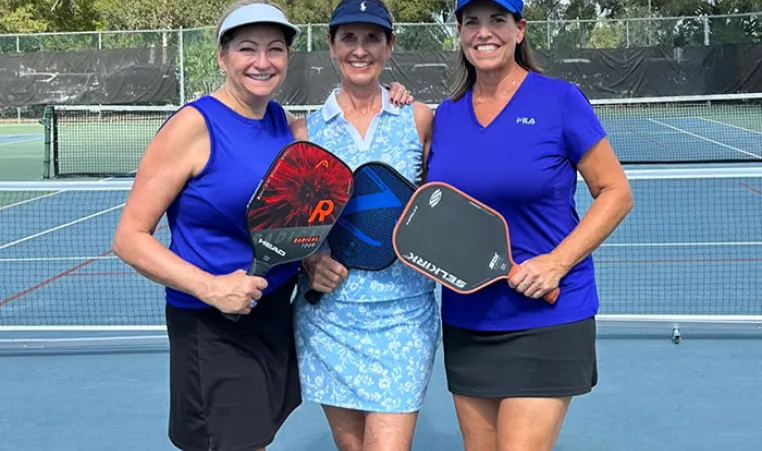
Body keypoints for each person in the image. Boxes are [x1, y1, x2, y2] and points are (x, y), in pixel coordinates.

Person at [112, 1, 411, 449]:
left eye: (275, 49)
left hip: (272, 314)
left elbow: (293, 215)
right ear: (222, 57)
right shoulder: (194, 125)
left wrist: (310, 261)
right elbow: (128, 238)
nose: (262, 61)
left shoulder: (280, 124)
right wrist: (211, 287)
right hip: (212, 326)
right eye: (247, 48)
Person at [424, 0, 634, 450]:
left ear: (519, 30)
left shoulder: (559, 100)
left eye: (498, 20)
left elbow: (615, 192)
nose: (485, 32)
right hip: (469, 320)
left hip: (548, 317)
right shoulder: (446, 115)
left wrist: (557, 263)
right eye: (472, 22)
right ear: (460, 33)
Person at [291, 1, 440, 450]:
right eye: (349, 38)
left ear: (390, 45)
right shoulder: (304, 132)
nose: (361, 49)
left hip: (404, 315)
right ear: (332, 46)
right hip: (330, 317)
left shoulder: (418, 119)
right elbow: (293, 229)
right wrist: (309, 263)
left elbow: (436, 209)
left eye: (373, 38)